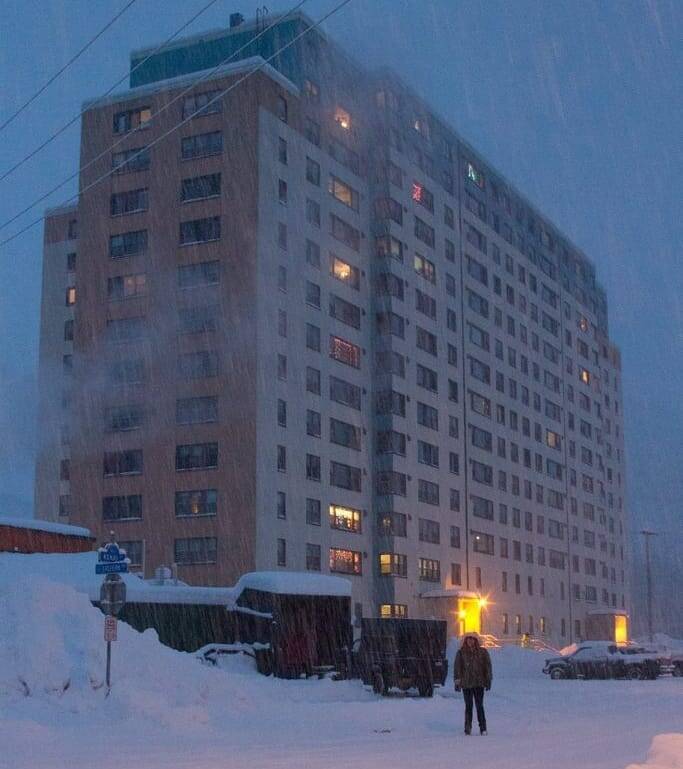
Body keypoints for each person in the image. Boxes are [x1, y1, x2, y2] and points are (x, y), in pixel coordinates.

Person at [454, 633, 492, 735]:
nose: (470, 641)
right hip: (466, 684)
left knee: (479, 706)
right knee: (468, 706)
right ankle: (468, 727)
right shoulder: (461, 653)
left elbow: (487, 667)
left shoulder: (482, 652)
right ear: (465, 640)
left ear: (476, 640)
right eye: (468, 639)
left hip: (479, 683)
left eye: (472, 639)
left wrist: (488, 680)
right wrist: (457, 682)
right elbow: (457, 668)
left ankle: (483, 728)